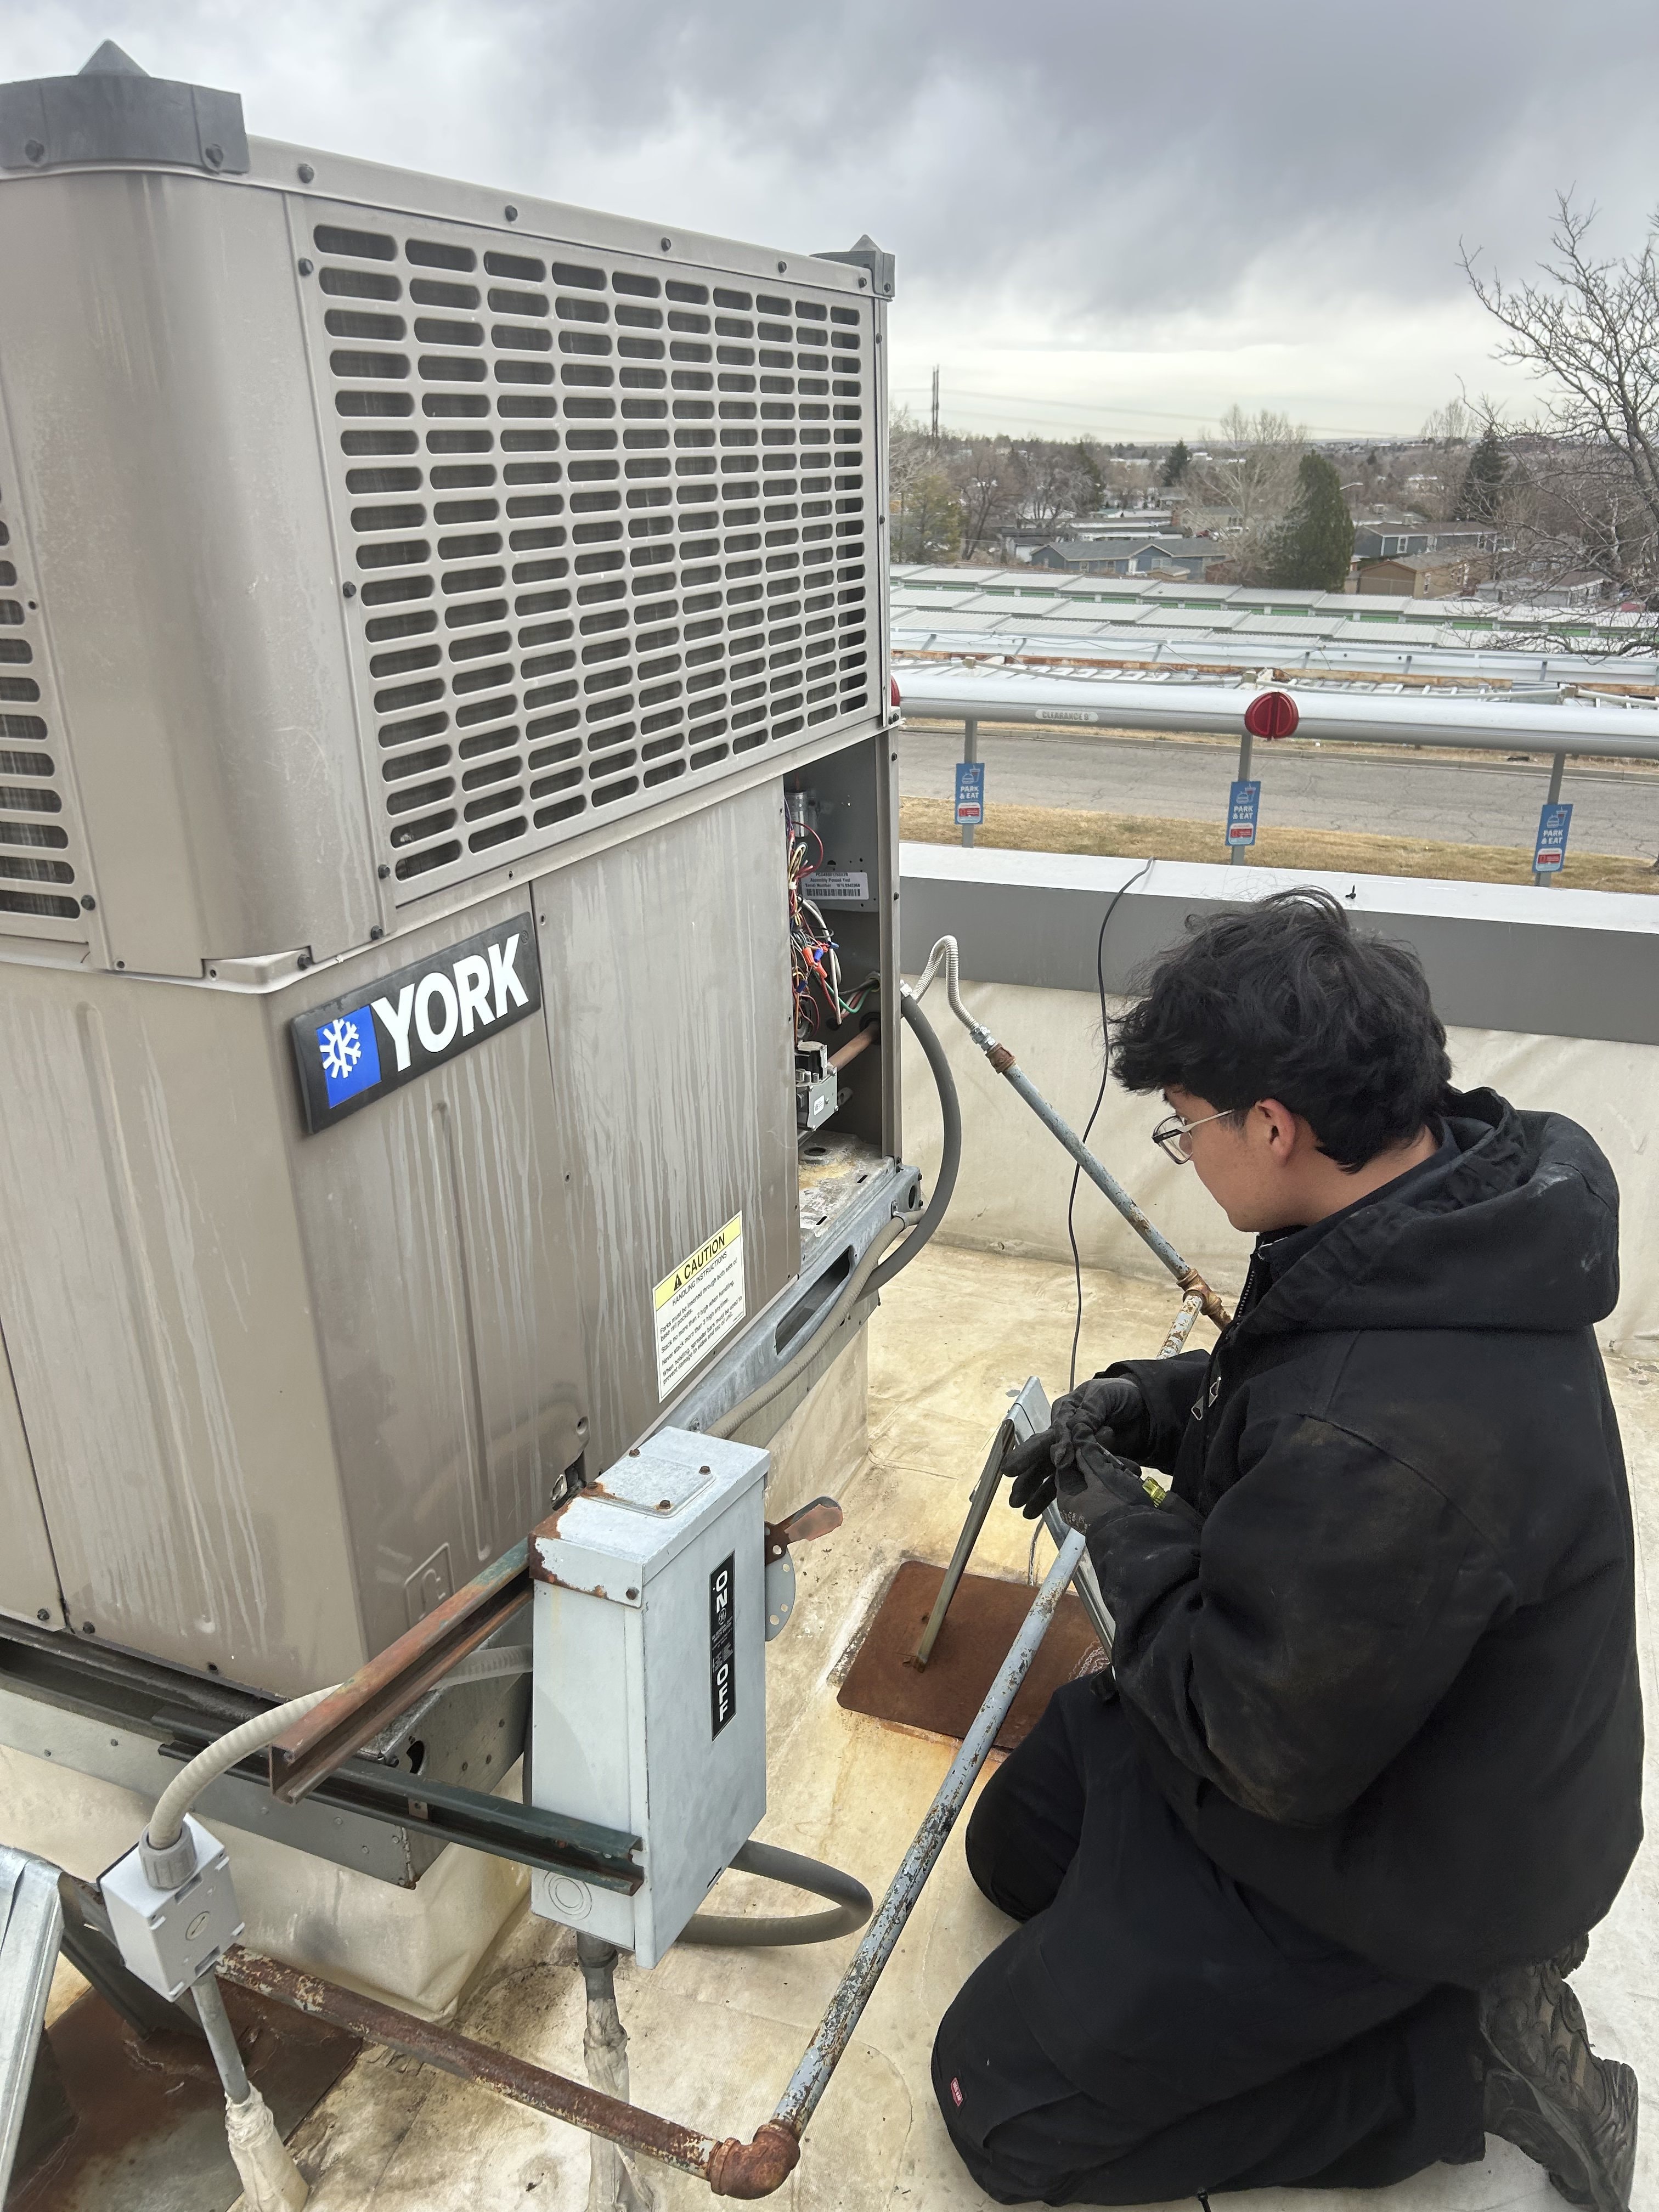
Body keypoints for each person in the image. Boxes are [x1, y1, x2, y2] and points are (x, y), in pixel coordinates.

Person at [932, 888, 1641, 2210]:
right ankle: (1190, 1973)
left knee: (1000, 2104)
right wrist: (1146, 1406)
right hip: (1362, 1703)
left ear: (1274, 1124)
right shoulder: (1427, 1209)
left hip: (1415, 1848)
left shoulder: (1395, 1440)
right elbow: (1295, 1401)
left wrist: (1113, 1520)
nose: (1183, 1149)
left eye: (1185, 1122)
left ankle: (1453, 2057)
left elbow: (1253, 1736)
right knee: (1015, 1853)